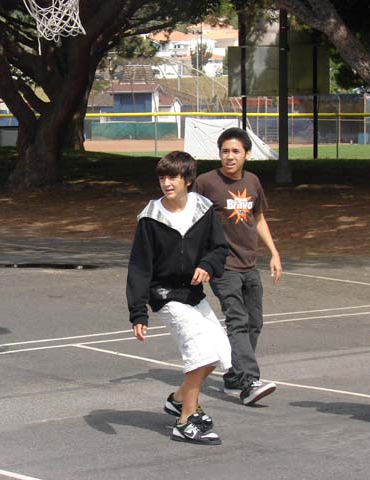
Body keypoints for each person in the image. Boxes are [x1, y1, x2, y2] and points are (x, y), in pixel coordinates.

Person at [126, 151, 231, 445]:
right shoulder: (150, 218)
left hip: (192, 294)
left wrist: (207, 265)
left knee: (219, 351)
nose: (166, 183)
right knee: (200, 352)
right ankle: (185, 420)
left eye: (173, 177)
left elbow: (219, 248)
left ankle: (178, 399)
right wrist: (138, 312)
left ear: (187, 179)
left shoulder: (203, 209)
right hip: (165, 294)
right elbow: (139, 268)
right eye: (162, 177)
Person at [194, 127, 282, 406]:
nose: (229, 156)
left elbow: (259, 218)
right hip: (223, 266)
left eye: (235, 151)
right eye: (224, 151)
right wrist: (200, 261)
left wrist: (274, 253)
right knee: (237, 320)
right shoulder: (206, 183)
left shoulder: (253, 181)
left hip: (249, 264)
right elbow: (191, 221)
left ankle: (233, 376)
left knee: (254, 322)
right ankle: (249, 381)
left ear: (247, 154)